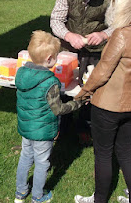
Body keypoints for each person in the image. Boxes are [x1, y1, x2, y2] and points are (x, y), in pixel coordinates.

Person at [73, 0, 131, 203]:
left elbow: (102, 71)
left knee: (103, 154)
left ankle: (99, 199)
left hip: (109, 105)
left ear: (124, 8)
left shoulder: (122, 34)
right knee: (125, 153)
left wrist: (83, 93)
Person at [50, 0, 114, 144]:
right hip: (68, 48)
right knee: (62, 87)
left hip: (96, 51)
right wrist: (68, 35)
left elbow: (118, 24)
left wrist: (104, 35)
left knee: (91, 88)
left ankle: (85, 126)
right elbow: (56, 19)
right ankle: (62, 125)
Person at [14, 30, 83, 203]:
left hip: (26, 127)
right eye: (57, 56)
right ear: (49, 59)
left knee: (25, 157)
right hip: (43, 131)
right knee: (42, 163)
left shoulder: (21, 74)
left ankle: (20, 193)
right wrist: (78, 103)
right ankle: (38, 196)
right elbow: (58, 109)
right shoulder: (50, 82)